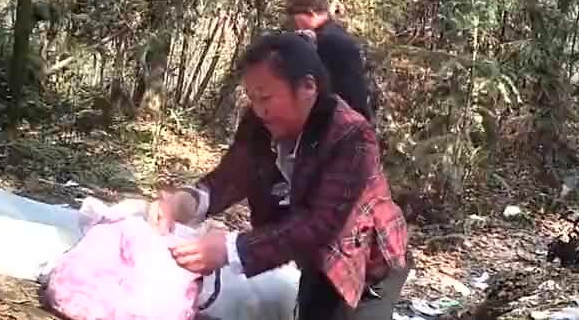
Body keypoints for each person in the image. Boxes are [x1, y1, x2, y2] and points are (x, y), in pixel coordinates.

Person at [155, 32, 410, 320]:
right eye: (252, 98)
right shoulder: (258, 123)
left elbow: (321, 223)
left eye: (266, 97)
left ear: (308, 87)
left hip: (367, 263)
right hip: (314, 258)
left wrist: (231, 249)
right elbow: (230, 176)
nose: (259, 109)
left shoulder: (351, 135)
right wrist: (187, 201)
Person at [283, 0, 375, 121]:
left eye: (293, 17)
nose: (293, 24)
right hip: (352, 117)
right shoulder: (334, 33)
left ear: (310, 13)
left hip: (344, 120)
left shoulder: (326, 40)